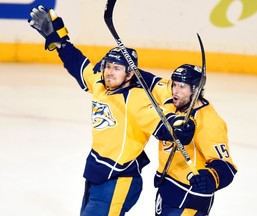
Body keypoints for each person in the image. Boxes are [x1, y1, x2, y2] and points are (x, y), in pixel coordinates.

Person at [28, 5, 196, 216]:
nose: (109, 72)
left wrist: (177, 127)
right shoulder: (100, 83)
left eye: (117, 69)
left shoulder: (135, 98)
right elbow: (79, 65)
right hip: (97, 172)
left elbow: (160, 123)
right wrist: (60, 41)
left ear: (129, 75)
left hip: (119, 178)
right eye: (108, 66)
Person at [154, 64, 238, 216]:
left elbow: (226, 166)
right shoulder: (172, 101)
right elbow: (151, 82)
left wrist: (212, 178)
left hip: (190, 198)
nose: (175, 91)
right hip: (168, 190)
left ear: (196, 90)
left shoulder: (209, 122)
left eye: (182, 86)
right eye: (174, 85)